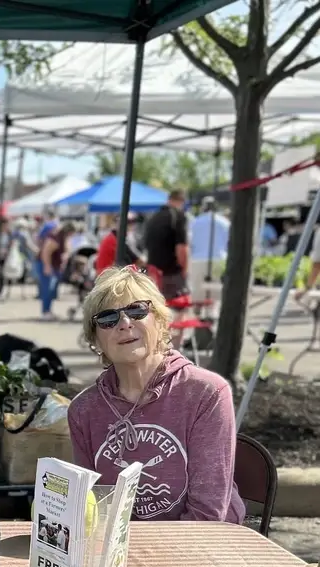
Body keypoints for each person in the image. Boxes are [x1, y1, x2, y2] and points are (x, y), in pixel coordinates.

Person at [67, 266, 245, 523]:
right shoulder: (83, 411)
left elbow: (207, 514)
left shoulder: (206, 394)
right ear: (95, 339)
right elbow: (91, 509)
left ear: (160, 321)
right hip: (120, 550)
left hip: (204, 544)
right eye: (107, 319)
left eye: (137, 310)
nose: (125, 324)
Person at [143, 188, 190, 300]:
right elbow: (181, 248)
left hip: (153, 272)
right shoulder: (178, 216)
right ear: (182, 201)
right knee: (179, 308)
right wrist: (184, 271)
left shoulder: (153, 217)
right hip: (171, 273)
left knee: (157, 308)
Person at [37, 220, 76, 318]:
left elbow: (67, 248)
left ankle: (48, 311)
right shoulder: (55, 238)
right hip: (45, 263)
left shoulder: (62, 237)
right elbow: (45, 252)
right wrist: (47, 266)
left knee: (52, 289)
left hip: (53, 265)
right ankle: (45, 312)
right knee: (48, 288)